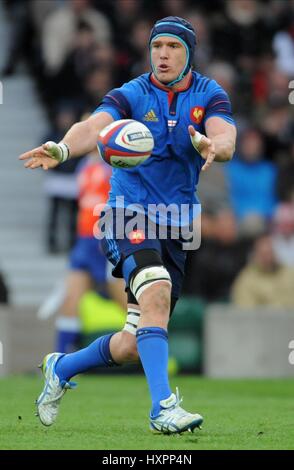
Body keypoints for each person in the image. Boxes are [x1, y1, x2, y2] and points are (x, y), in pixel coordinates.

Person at [20, 17, 236, 434]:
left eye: (173, 46)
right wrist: (64, 148)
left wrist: (216, 147)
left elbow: (224, 134)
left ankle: (61, 367)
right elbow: (95, 127)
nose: (163, 54)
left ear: (189, 52)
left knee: (133, 342)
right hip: (126, 213)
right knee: (155, 287)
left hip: (178, 227)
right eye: (157, 46)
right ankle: (163, 409)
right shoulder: (132, 93)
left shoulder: (209, 93)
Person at [55, 152, 127, 354]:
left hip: (104, 237)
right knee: (71, 299)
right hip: (84, 240)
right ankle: (61, 360)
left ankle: (158, 352)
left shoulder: (118, 161)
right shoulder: (85, 164)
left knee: (126, 302)